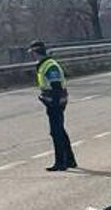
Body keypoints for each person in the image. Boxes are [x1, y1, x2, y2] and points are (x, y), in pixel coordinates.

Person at [29, 40, 77, 172]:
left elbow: (56, 85)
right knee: (60, 130)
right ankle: (70, 160)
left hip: (55, 101)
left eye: (32, 53)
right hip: (53, 101)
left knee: (56, 132)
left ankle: (61, 162)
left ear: (36, 52)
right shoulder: (44, 64)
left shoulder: (49, 66)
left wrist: (52, 100)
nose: (31, 56)